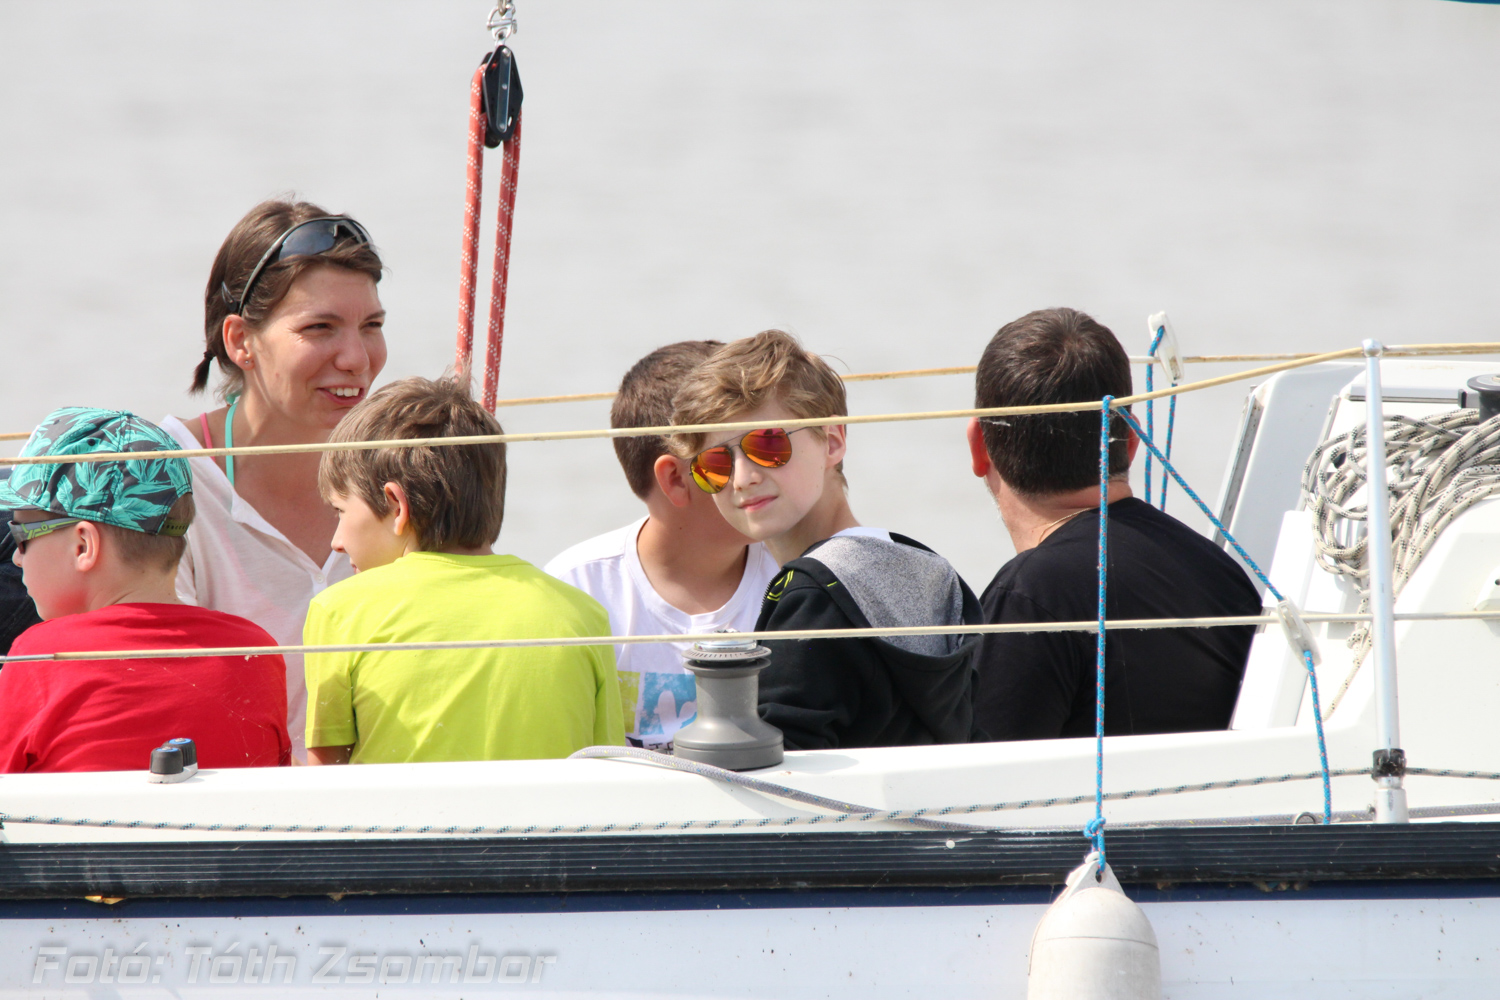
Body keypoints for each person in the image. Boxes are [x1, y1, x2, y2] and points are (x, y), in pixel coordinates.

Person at [670, 330, 981, 751]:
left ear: (832, 443)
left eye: (767, 445)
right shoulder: (927, 567)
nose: (742, 479)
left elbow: (785, 762)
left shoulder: (812, 595)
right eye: (715, 464)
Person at [964, 307, 1262, 740]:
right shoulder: (1222, 573)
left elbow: (979, 773)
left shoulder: (1032, 597)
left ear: (979, 447)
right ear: (1131, 440)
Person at [158, 199, 387, 761]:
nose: (357, 359)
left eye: (372, 326)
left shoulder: (401, 474)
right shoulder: (165, 475)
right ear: (240, 341)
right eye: (320, 328)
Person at [303, 377, 624, 764]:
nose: (337, 541)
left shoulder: (339, 611)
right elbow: (607, 768)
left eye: (340, 511)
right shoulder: (582, 615)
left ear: (396, 505)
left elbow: (326, 779)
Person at [0, 408, 290, 772]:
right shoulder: (256, 650)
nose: (17, 557)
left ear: (83, 546)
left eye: (20, 536)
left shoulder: (40, 657)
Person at [545, 341, 780, 750]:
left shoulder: (796, 580)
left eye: (765, 446)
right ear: (674, 480)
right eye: (729, 456)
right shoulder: (576, 588)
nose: (756, 473)